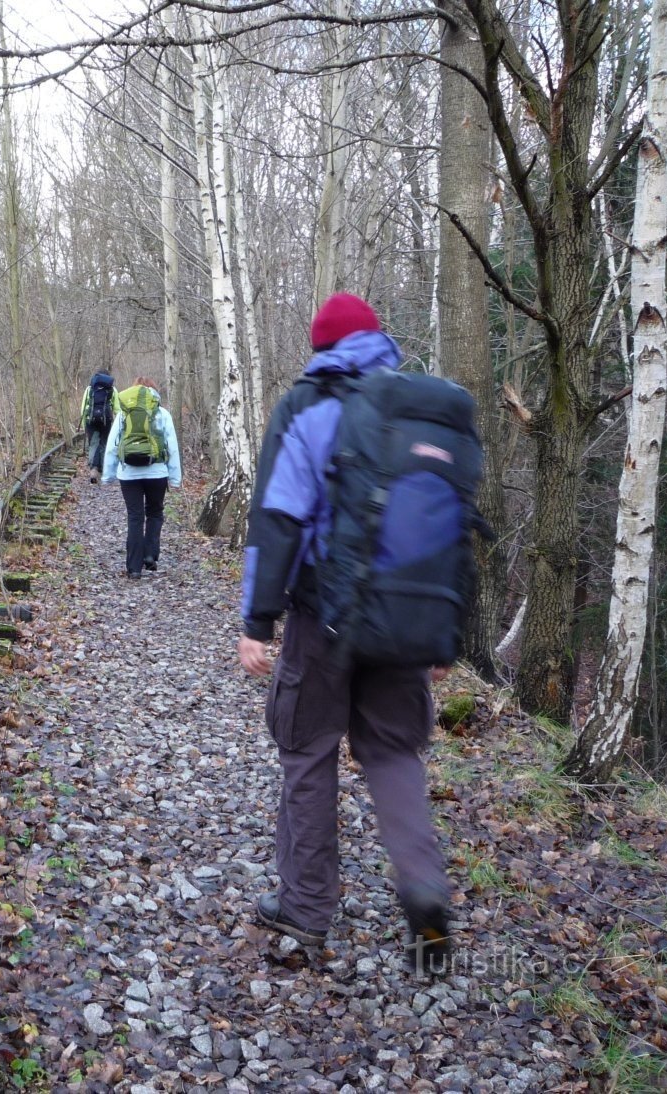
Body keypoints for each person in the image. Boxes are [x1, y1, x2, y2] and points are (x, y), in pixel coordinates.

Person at [235, 293, 453, 972]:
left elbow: (278, 518)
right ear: (376, 340)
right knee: (392, 754)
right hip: (405, 617)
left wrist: (256, 622)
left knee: (306, 751)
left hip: (319, 616)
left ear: (320, 345)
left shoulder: (307, 404)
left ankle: (305, 910)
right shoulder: (418, 407)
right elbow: (449, 533)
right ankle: (423, 889)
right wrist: (440, 634)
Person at [101, 376, 181, 579]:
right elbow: (172, 447)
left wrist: (108, 476)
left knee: (135, 517)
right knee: (155, 513)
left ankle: (134, 568)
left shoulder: (123, 415)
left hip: (128, 473)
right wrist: (175, 477)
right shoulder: (162, 413)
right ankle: (150, 555)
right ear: (153, 392)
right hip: (157, 472)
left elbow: (112, 446)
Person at [79, 371, 117, 483]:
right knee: (104, 443)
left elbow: (83, 408)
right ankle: (103, 469)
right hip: (106, 419)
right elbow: (117, 408)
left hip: (91, 420)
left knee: (93, 443)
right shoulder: (112, 390)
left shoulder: (89, 389)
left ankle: (93, 470)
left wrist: (84, 425)